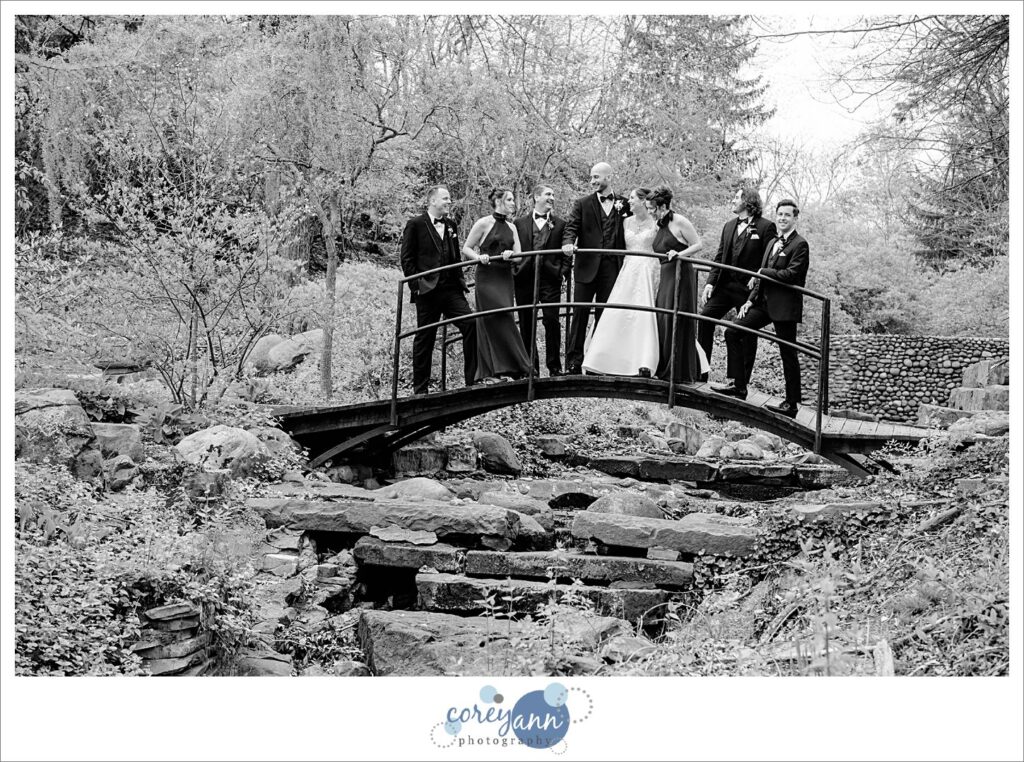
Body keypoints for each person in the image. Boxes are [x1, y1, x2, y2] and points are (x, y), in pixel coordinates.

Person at [711, 199, 810, 417]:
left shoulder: (800, 244)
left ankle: (791, 404)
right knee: (733, 331)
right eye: (780, 214)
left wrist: (763, 271)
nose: (783, 218)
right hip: (762, 303)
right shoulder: (772, 242)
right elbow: (759, 279)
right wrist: (750, 300)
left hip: (784, 306)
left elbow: (791, 275)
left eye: (787, 215)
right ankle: (739, 385)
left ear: (795, 218)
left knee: (788, 353)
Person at [400, 185, 476, 394]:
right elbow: (406, 259)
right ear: (432, 201)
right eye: (445, 198)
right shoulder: (415, 224)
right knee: (425, 338)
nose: (449, 202)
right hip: (428, 292)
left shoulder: (451, 225)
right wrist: (417, 286)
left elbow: (455, 256)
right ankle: (420, 391)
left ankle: (472, 380)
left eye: (449, 198)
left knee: (471, 324)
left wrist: (460, 278)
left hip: (451, 290)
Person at [698, 188, 778, 378]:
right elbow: (719, 256)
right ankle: (701, 370)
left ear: (748, 201)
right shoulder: (728, 226)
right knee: (705, 318)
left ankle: (738, 381)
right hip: (725, 286)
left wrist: (758, 278)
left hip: (749, 291)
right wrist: (710, 283)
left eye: (737, 197)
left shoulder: (766, 227)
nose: (733, 200)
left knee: (746, 333)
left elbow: (769, 259)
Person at [582, 187, 661, 376]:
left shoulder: (657, 222)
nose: (629, 201)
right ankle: (601, 359)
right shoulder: (625, 222)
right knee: (619, 311)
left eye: (633, 198)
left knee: (643, 312)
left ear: (643, 201)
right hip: (627, 271)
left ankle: (644, 361)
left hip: (648, 270)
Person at [561, 162, 627, 375]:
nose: (592, 181)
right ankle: (573, 362)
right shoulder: (582, 203)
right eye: (591, 177)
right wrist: (568, 243)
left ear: (609, 177)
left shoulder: (624, 204)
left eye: (596, 177)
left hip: (613, 269)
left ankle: (597, 362)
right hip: (586, 267)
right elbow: (571, 227)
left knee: (605, 315)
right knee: (579, 313)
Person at [462, 188, 532, 384]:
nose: (513, 203)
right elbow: (467, 248)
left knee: (506, 317)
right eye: (509, 200)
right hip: (487, 278)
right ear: (499, 201)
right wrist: (479, 257)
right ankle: (493, 370)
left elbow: (520, 256)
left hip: (504, 278)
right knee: (491, 319)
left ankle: (513, 367)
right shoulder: (483, 223)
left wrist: (512, 255)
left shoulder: (512, 227)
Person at [648, 185, 709, 383]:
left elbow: (698, 244)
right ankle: (663, 365)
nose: (650, 212)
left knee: (677, 318)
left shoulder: (680, 221)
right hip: (666, 275)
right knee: (663, 317)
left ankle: (680, 371)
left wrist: (678, 254)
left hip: (681, 274)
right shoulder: (659, 224)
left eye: (652, 208)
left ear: (663, 206)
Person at [513, 185, 570, 376]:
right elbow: (512, 247)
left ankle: (554, 367)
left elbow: (567, 251)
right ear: (536, 197)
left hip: (550, 279)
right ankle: (531, 368)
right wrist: (515, 270)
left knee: (552, 321)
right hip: (524, 279)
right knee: (526, 322)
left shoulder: (561, 224)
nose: (552, 198)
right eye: (548, 194)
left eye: (553, 194)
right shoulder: (519, 223)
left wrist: (562, 272)